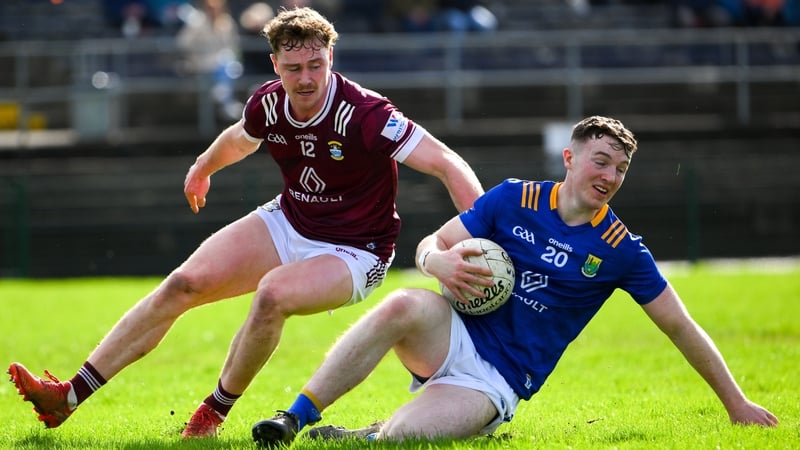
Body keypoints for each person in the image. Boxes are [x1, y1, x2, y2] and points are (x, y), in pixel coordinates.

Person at [7, 6, 483, 440]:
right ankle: (68, 397)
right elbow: (241, 138)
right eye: (293, 68)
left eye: (315, 65)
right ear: (274, 64)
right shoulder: (268, 103)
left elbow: (446, 162)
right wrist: (203, 167)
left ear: (330, 58)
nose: (306, 79)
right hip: (290, 220)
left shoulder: (366, 114)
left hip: (356, 250)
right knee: (182, 284)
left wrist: (483, 237)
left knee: (273, 294)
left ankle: (211, 414)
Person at [251, 115, 779, 448]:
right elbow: (431, 243)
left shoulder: (620, 249)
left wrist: (737, 406)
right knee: (401, 304)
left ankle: (365, 433)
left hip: (495, 381)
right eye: (600, 161)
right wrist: (438, 263)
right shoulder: (513, 198)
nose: (609, 176)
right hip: (451, 332)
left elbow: (681, 326)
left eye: (620, 169)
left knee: (401, 439)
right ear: (570, 159)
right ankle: (294, 418)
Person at [176, 0, 244, 120]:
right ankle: (226, 100)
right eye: (211, 8)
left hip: (224, 63)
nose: (214, 11)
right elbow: (183, 43)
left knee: (230, 64)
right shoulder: (197, 22)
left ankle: (222, 93)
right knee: (227, 65)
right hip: (201, 62)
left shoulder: (226, 22)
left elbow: (234, 44)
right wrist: (199, 48)